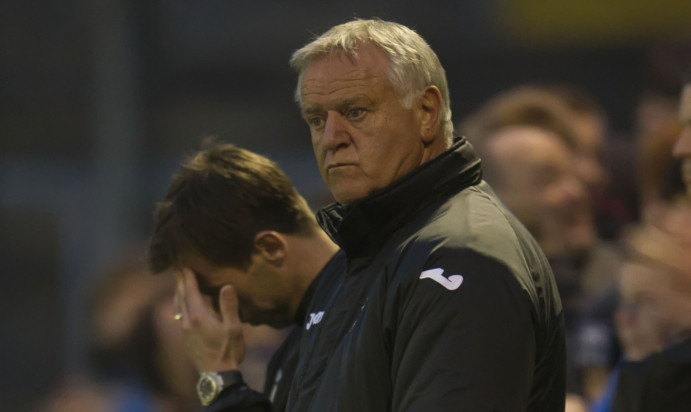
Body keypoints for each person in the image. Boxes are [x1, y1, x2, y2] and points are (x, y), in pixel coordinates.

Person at [285, 19, 565, 410]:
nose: (331, 138)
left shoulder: (463, 256)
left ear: (426, 112)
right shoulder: (358, 255)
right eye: (317, 119)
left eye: (356, 111)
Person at [147, 143, 345, 411]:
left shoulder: (356, 321)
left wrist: (219, 376)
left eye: (215, 292)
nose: (216, 313)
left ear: (270, 249)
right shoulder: (299, 344)